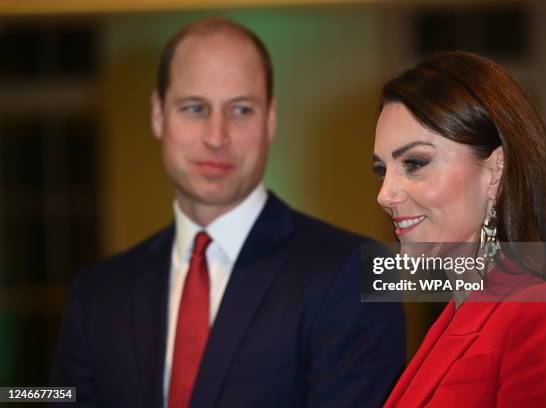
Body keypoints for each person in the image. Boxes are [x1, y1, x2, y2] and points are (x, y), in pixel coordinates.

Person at [51, 18, 406, 408]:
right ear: (157, 114)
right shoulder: (97, 294)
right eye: (194, 108)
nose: (216, 137)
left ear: (270, 119)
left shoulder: (356, 271)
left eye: (240, 110)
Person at [373, 51, 546, 407]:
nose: (384, 195)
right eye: (382, 169)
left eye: (415, 163)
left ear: (496, 170)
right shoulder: (457, 311)